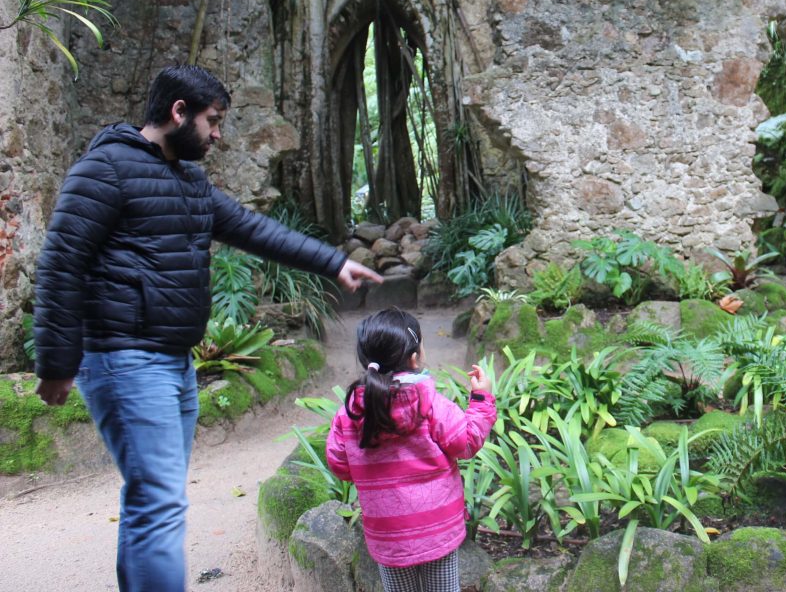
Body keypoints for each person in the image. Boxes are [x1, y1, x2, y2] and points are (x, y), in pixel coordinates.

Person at [32, 64, 382, 592]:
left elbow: (252, 229)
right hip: (125, 359)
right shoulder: (104, 169)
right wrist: (56, 363)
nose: (218, 134)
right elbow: (61, 261)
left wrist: (332, 263)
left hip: (173, 361)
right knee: (161, 501)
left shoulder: (190, 181)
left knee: (151, 497)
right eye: (213, 121)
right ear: (179, 113)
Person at [326, 308, 496, 592]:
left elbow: (340, 466)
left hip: (387, 536)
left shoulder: (351, 413)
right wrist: (481, 398)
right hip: (438, 533)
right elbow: (466, 443)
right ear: (415, 357)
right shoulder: (429, 402)